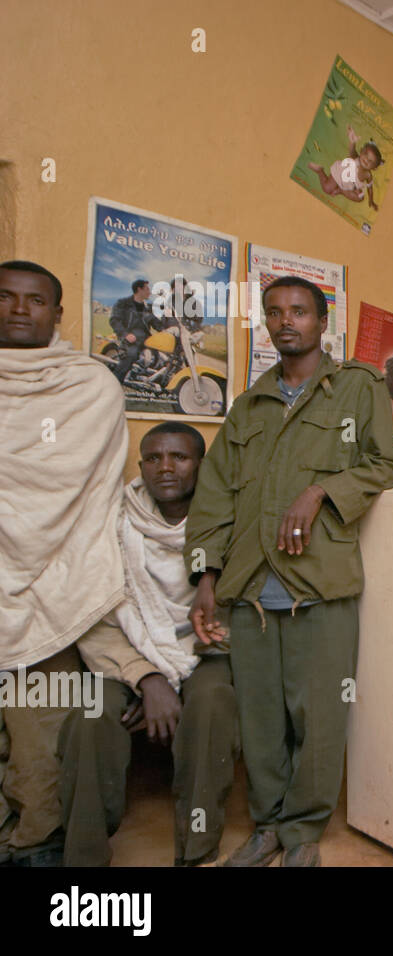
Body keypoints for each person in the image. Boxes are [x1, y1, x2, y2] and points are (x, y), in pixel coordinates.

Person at [186, 275, 393, 867]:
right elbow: (214, 499)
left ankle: (303, 832)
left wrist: (321, 491)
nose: (287, 321)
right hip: (249, 588)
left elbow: (385, 463)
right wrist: (205, 577)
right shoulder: (248, 406)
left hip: (320, 583)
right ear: (265, 322)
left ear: (321, 321)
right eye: (275, 312)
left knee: (320, 718)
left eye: (300, 311)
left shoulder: (357, 389)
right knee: (260, 719)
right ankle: (268, 826)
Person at [59, 423, 238, 866]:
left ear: (201, 464)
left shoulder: (226, 521)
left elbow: (237, 612)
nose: (165, 468)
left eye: (179, 457)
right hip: (127, 653)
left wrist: (181, 672)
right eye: (153, 458)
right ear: (140, 466)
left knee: (212, 703)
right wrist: (149, 677)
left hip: (204, 652)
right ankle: (83, 860)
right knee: (91, 714)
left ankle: (196, 853)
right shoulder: (112, 522)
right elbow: (94, 616)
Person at [0, 260, 129, 866]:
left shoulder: (89, 386)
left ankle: (37, 844)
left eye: (34, 300)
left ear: (58, 314)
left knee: (38, 732)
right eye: (5, 297)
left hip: (54, 583)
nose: (19, 309)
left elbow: (65, 483)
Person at [306, 125, 382, 211]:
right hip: (340, 174)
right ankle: (320, 171)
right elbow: (352, 150)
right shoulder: (355, 158)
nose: (366, 160)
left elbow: (370, 188)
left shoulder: (368, 175)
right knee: (327, 189)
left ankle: (341, 191)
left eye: (370, 161)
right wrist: (352, 142)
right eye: (365, 154)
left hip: (351, 186)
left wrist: (371, 201)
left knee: (360, 198)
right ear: (361, 151)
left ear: (374, 168)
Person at [108, 277, 163, 383]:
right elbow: (114, 320)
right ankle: (114, 382)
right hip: (130, 339)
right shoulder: (123, 303)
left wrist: (169, 329)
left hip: (146, 340)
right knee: (131, 355)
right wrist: (125, 334)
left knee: (161, 357)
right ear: (139, 289)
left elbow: (156, 323)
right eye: (147, 289)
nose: (149, 292)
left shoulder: (148, 308)